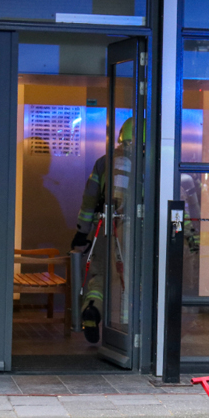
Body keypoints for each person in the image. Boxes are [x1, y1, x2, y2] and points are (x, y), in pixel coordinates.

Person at [71, 117, 134, 343]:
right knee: (132, 276)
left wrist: (82, 232)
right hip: (136, 231)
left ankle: (92, 308)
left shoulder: (103, 162)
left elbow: (89, 199)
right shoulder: (151, 163)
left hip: (105, 227)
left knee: (99, 274)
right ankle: (127, 329)